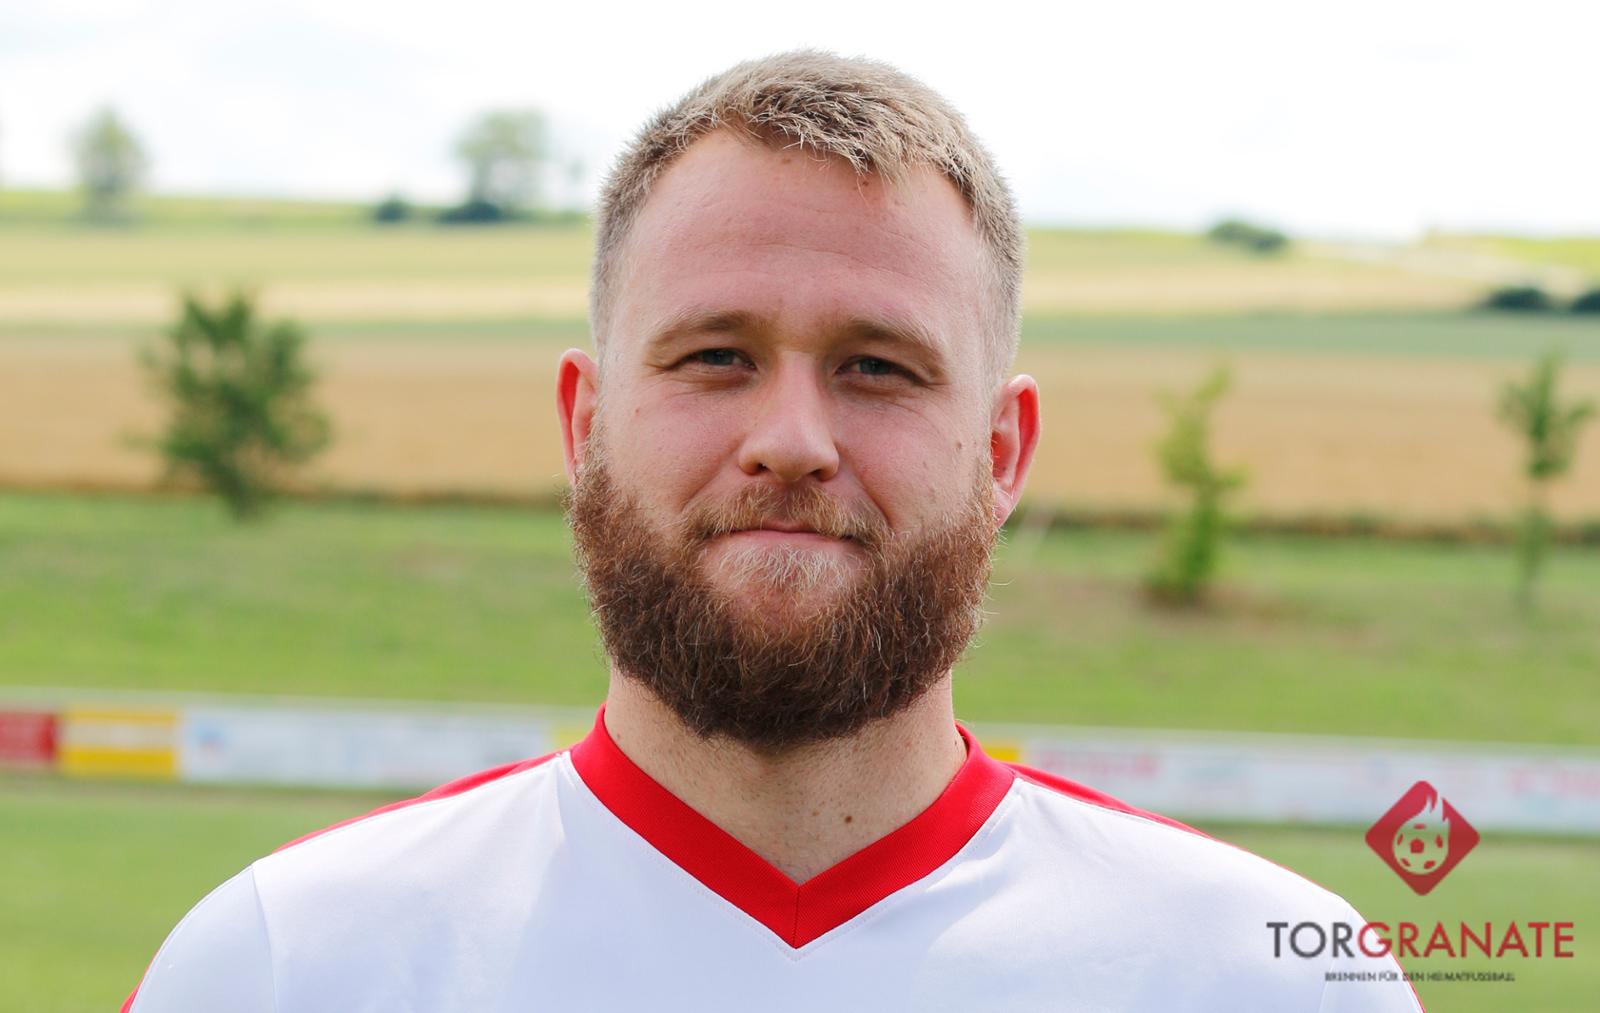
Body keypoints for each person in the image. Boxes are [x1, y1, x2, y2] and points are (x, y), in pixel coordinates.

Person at [123, 50, 1423, 1012]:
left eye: (878, 367)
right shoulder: (286, 964)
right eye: (715, 355)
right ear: (585, 423)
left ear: (1002, 452)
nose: (792, 438)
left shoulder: (1261, 978)